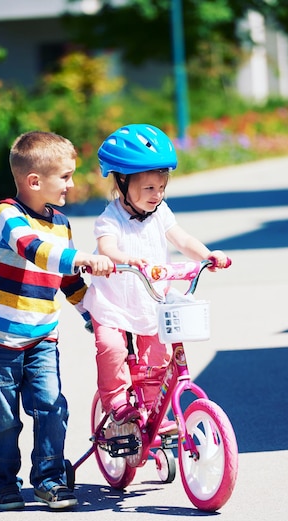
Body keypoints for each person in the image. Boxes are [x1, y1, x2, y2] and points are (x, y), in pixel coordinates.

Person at [0, 130, 114, 511]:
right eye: (65, 176)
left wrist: (93, 315)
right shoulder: (6, 214)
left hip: (42, 336)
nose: (71, 183)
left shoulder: (61, 223)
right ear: (34, 181)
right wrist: (83, 257)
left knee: (52, 405)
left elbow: (66, 280)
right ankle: (3, 482)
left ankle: (49, 479)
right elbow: (34, 251)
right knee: (4, 419)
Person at [83, 123, 231, 428]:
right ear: (122, 181)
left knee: (158, 358)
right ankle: (117, 402)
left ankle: (153, 412)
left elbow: (182, 239)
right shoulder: (110, 218)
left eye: (162, 187)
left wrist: (207, 255)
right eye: (149, 188)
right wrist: (126, 259)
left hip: (150, 301)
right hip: (113, 303)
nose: (157, 194)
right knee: (111, 348)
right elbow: (106, 247)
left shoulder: (161, 212)